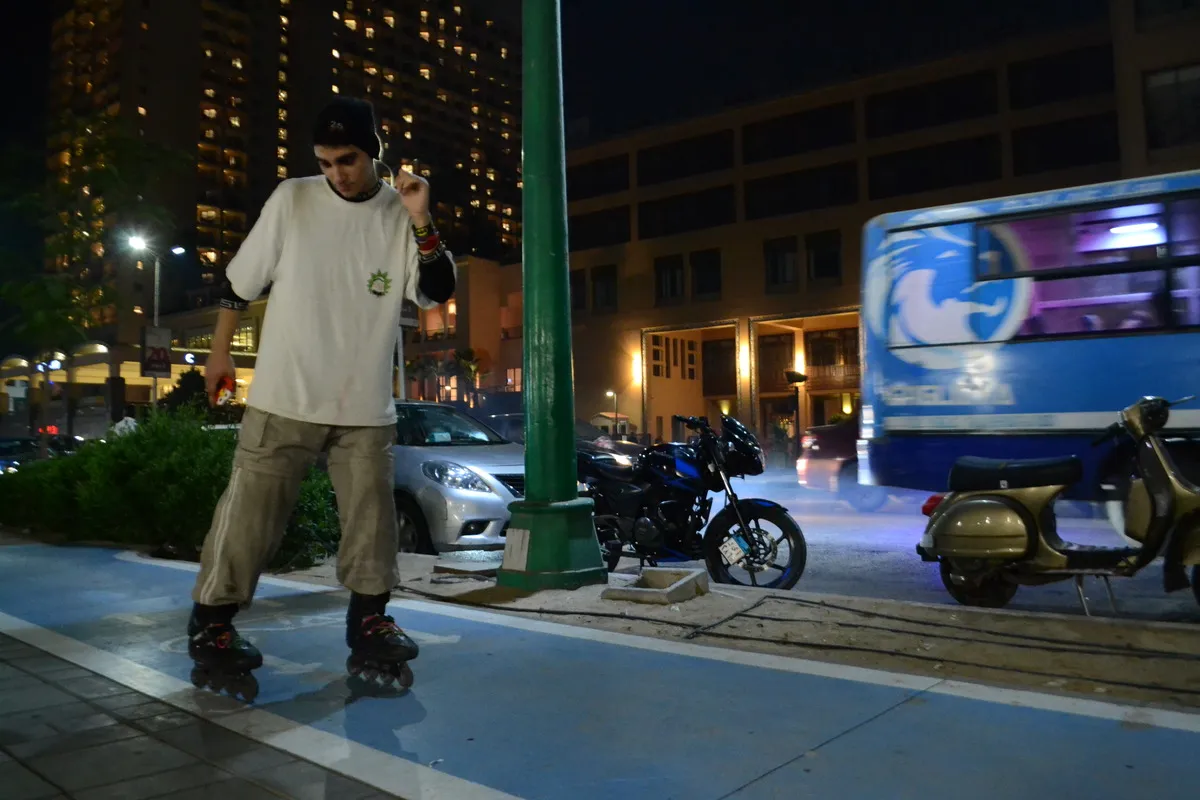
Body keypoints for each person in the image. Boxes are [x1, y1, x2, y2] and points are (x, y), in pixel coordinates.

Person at [186, 96, 456, 690]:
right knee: (251, 516)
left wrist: (421, 216)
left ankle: (370, 623)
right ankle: (212, 622)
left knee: (371, 520)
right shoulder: (293, 199)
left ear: (374, 153)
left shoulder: (399, 212)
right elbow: (239, 282)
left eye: (349, 159)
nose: (337, 172)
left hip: (363, 407)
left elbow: (435, 291)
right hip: (284, 393)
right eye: (327, 161)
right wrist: (220, 352)